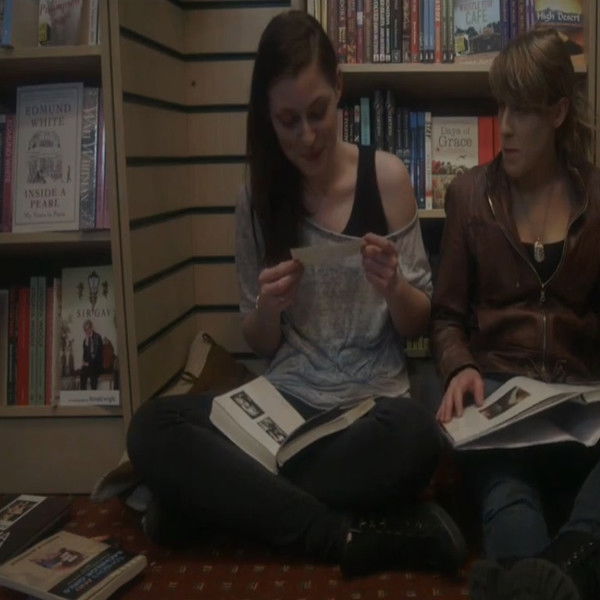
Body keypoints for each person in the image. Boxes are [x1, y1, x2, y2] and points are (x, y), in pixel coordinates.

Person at [126, 10, 466, 578]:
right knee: (151, 429)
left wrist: (395, 287)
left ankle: (218, 504)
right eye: (288, 121)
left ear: (340, 91)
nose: (307, 137)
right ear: (266, 116)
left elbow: (416, 325)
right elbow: (261, 343)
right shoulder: (256, 197)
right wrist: (268, 307)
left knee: (416, 438)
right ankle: (344, 536)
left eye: (318, 113)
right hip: (281, 406)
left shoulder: (385, 178)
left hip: (367, 412)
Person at [431, 28, 600, 600]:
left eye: (522, 110)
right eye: (500, 105)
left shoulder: (597, 197)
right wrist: (459, 367)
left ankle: (553, 569)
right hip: (501, 401)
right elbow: (446, 317)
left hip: (582, 403)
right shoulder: (469, 196)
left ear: (557, 113)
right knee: (507, 492)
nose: (503, 126)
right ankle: (562, 571)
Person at [80, 319, 103, 390]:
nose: (86, 331)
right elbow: (85, 356)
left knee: (93, 375)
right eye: (85, 330)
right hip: (89, 365)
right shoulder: (85, 340)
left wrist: (89, 363)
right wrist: (86, 345)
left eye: (88, 329)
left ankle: (93, 392)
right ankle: (83, 393)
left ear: (91, 328)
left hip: (97, 364)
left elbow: (98, 355)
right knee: (82, 373)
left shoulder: (98, 337)